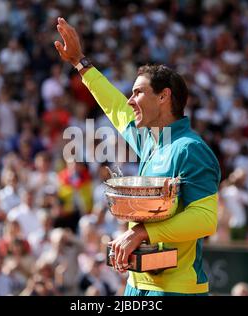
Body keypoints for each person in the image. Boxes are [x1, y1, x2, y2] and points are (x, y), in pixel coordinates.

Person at [54, 17, 221, 296]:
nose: (131, 100)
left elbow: (205, 219)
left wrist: (141, 233)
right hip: (136, 284)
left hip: (176, 290)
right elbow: (117, 108)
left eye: (138, 93)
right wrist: (80, 63)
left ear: (163, 97)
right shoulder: (151, 140)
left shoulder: (190, 148)